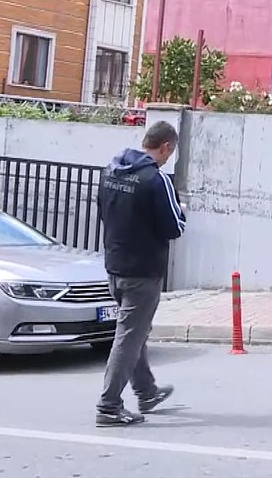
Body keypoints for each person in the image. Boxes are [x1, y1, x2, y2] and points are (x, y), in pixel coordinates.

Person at [95, 121, 186, 427]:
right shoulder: (154, 179)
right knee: (129, 336)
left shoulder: (110, 171)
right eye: (170, 152)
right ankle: (109, 406)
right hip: (143, 271)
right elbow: (175, 226)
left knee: (135, 332)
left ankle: (146, 391)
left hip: (115, 265)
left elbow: (103, 212)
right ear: (166, 147)